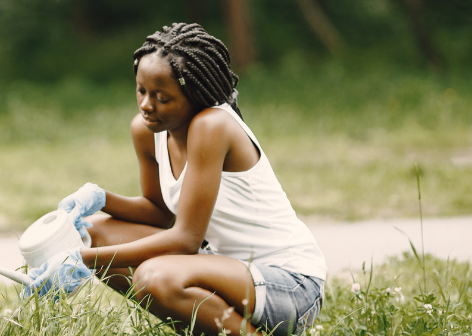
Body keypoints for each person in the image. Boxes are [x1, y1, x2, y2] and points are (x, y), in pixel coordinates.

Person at [24, 23, 326, 336]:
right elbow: (159, 211)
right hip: (223, 269)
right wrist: (100, 198)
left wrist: (80, 260)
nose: (146, 105)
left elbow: (185, 239)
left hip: (290, 285)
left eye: (162, 97)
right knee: (94, 232)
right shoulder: (146, 131)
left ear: (195, 94)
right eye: (141, 90)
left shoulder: (212, 126)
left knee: (155, 278)